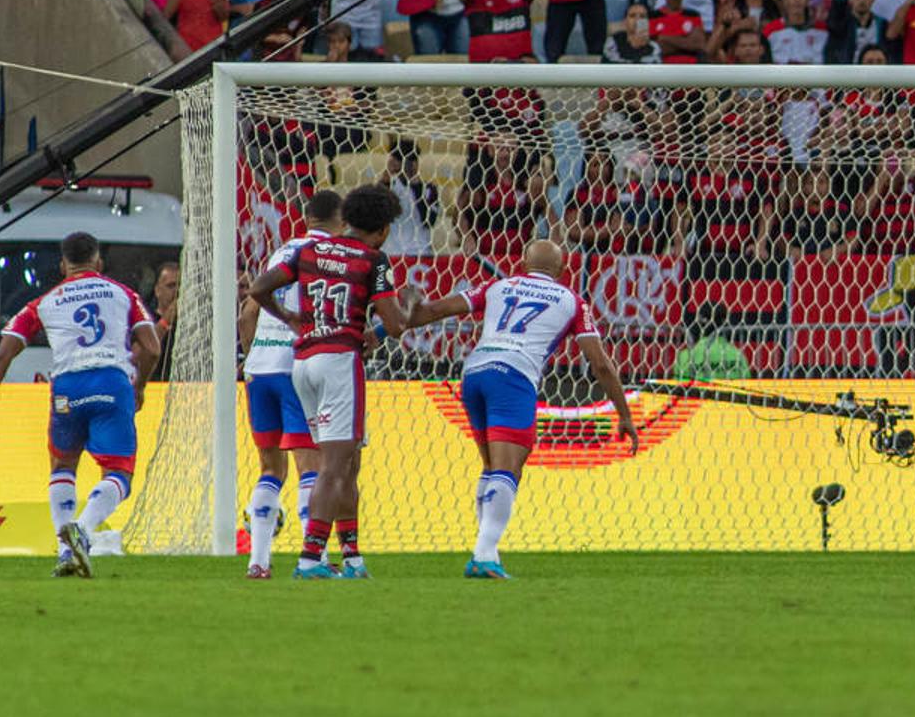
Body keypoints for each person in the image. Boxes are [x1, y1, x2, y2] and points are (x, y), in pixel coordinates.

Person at [407, 239, 637, 579]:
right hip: (513, 376)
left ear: (523, 264)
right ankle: (484, 556)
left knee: (491, 467)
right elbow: (600, 364)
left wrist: (394, 319)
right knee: (508, 469)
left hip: (474, 373)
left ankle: (487, 553)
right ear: (561, 270)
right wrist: (624, 414)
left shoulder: (499, 285)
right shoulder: (573, 301)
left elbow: (434, 311)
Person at [0, 231, 162, 577]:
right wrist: (139, 386)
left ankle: (65, 552)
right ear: (99, 263)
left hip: (67, 387)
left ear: (62, 266)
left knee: (62, 466)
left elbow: (1, 357)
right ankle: (82, 531)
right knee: (119, 473)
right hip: (111, 382)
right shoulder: (123, 294)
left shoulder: (44, 302)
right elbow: (153, 347)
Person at [246, 185, 412, 580]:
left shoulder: (309, 252)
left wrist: (288, 316)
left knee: (347, 464)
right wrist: (400, 315)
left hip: (303, 362)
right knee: (334, 467)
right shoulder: (374, 259)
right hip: (339, 361)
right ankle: (310, 559)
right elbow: (393, 323)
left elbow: (257, 289)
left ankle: (353, 558)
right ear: (384, 229)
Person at [235, 190, 341, 578]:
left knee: (270, 468)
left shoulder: (281, 252)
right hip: (297, 365)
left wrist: (253, 357)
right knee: (310, 465)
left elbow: (248, 313)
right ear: (340, 218)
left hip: (259, 369)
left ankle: (258, 561)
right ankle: (316, 558)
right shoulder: (334, 255)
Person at [670, 301, 751, 380]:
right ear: (725, 322)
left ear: (699, 322)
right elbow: (747, 385)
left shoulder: (684, 357)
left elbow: (678, 388)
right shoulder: (738, 356)